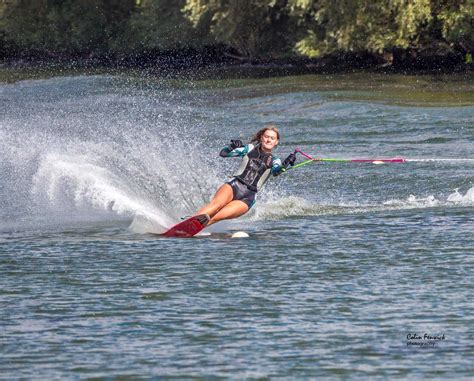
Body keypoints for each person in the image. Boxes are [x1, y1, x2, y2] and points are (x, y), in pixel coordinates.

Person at [194, 126, 296, 227]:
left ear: (276, 142)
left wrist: (286, 163)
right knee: (215, 206)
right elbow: (223, 153)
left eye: (272, 138)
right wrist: (232, 147)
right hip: (234, 186)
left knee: (218, 216)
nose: (268, 140)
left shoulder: (275, 160)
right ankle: (192, 220)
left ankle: (194, 227)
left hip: (248, 197)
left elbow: (276, 171)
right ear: (261, 138)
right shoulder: (249, 149)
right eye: (266, 137)